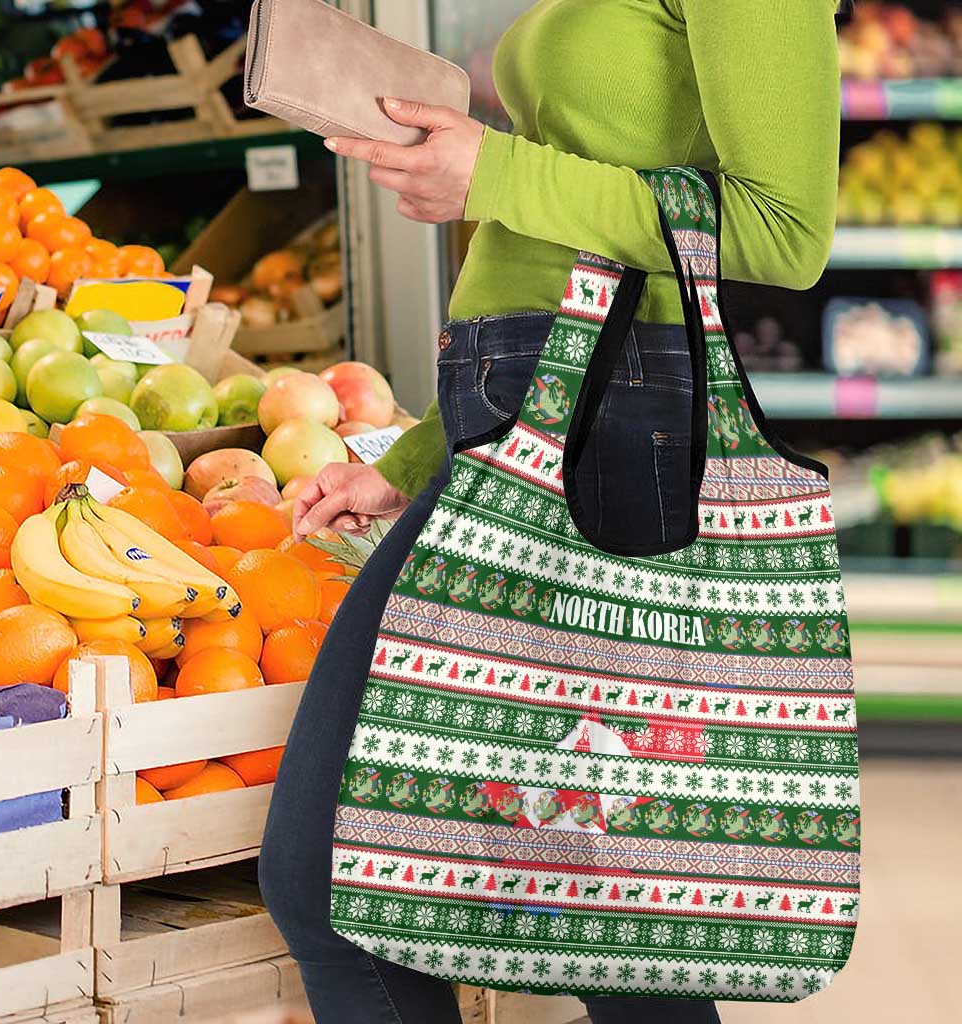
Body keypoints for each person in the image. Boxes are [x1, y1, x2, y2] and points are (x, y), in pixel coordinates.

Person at [259, 2, 843, 1022]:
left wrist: (495, 172)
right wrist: (416, 456)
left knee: (364, 883)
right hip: (528, 427)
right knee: (596, 919)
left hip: (611, 435)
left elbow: (786, 230)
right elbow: (562, 244)